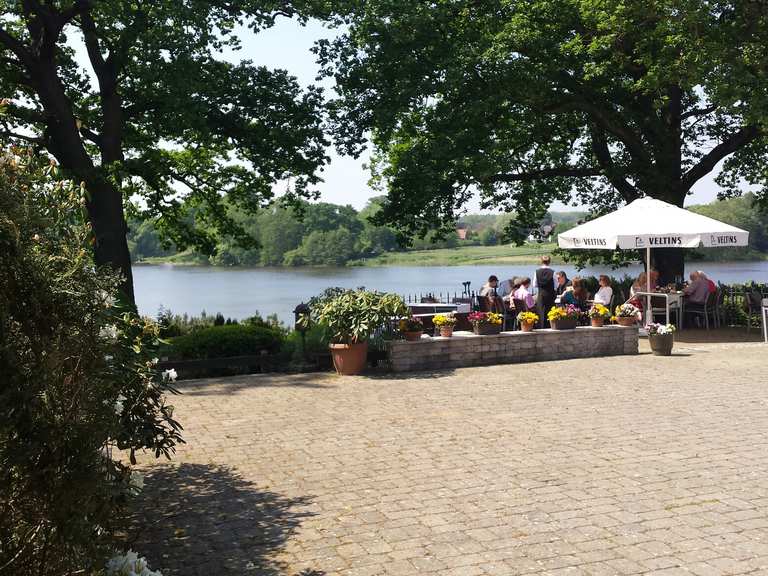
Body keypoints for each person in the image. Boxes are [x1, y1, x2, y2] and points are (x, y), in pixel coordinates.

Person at [534, 255, 556, 327]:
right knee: (550, 313)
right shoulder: (553, 272)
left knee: (541, 312)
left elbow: (534, 284)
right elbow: (556, 285)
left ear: (541, 261)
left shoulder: (537, 272)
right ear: (549, 262)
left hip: (541, 295)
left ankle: (541, 328)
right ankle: (550, 326)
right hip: (550, 295)